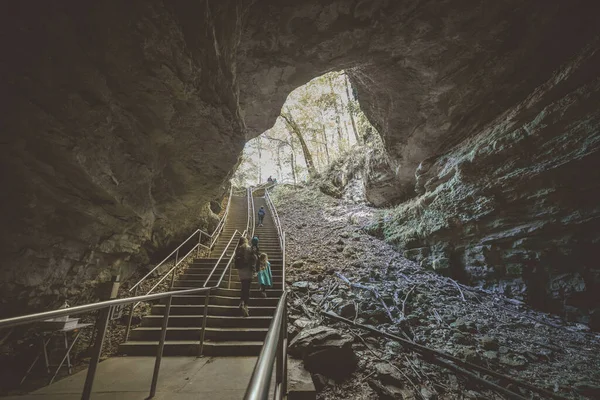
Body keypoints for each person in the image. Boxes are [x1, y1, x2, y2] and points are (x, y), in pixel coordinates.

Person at [234, 237, 257, 317]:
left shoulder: (238, 249)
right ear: (246, 241)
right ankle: (245, 306)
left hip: (241, 271)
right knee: (247, 289)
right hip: (248, 270)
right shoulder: (249, 248)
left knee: (243, 286)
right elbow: (254, 258)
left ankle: (241, 302)